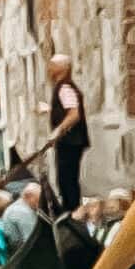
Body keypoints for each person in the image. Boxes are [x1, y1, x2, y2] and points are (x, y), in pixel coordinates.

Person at [47, 52, 89, 213]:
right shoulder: (63, 87)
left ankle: (72, 214)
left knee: (67, 181)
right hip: (70, 141)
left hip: (71, 142)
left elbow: (74, 114)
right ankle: (71, 212)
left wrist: (58, 130)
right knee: (66, 180)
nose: (49, 70)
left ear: (61, 68)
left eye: (52, 66)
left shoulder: (64, 87)